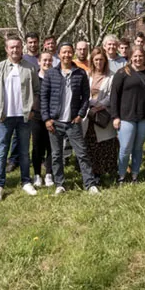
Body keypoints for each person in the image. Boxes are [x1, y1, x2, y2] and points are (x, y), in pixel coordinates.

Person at [0, 34, 40, 200]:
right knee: (3, 151)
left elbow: (37, 91)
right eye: (12, 47)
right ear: (6, 49)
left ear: (21, 48)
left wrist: (32, 111)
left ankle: (26, 182)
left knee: (24, 151)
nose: (15, 50)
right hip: (5, 117)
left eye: (17, 46)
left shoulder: (29, 68)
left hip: (24, 117)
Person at [41, 42, 99, 194]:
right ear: (58, 54)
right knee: (56, 155)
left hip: (73, 122)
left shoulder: (80, 73)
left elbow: (86, 97)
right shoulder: (51, 74)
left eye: (69, 52)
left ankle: (89, 184)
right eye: (64, 52)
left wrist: (80, 114)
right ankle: (60, 184)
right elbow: (44, 98)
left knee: (82, 153)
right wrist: (47, 119)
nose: (66, 55)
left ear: (72, 54)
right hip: (55, 122)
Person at [112, 47, 145, 184]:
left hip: (144, 117)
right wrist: (115, 116)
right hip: (126, 117)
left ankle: (135, 174)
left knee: (138, 148)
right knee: (125, 148)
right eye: (135, 56)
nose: (138, 59)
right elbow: (114, 96)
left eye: (140, 56)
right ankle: (121, 175)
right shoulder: (122, 73)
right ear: (130, 57)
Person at [82, 47, 118, 184]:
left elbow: (112, 95)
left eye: (101, 60)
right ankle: (93, 173)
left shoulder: (112, 76)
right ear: (92, 60)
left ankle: (106, 172)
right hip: (89, 114)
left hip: (103, 114)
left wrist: (100, 104)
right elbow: (83, 92)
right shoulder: (87, 74)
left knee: (104, 144)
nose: (99, 62)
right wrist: (91, 103)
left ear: (105, 61)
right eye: (96, 59)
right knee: (91, 145)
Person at [31, 52, 55, 187]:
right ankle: (37, 174)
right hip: (36, 116)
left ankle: (49, 174)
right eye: (44, 60)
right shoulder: (34, 78)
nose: (47, 62)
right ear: (39, 62)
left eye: (49, 60)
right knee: (37, 146)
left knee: (51, 146)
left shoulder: (54, 78)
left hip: (52, 117)